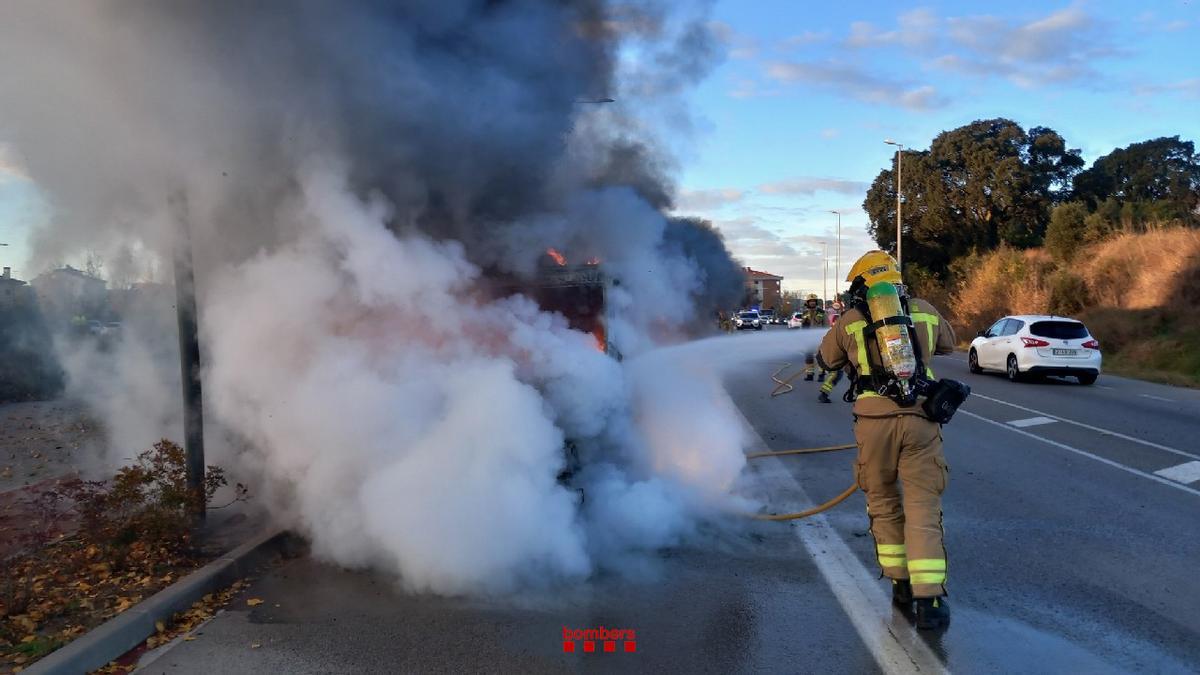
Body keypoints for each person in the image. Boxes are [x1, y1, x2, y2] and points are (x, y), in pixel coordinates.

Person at [816, 250, 957, 629]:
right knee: (923, 505)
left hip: (874, 422)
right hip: (920, 419)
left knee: (882, 500)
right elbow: (950, 344)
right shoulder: (924, 310)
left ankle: (900, 586)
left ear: (862, 286)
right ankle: (931, 603)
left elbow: (826, 359)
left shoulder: (850, 320)